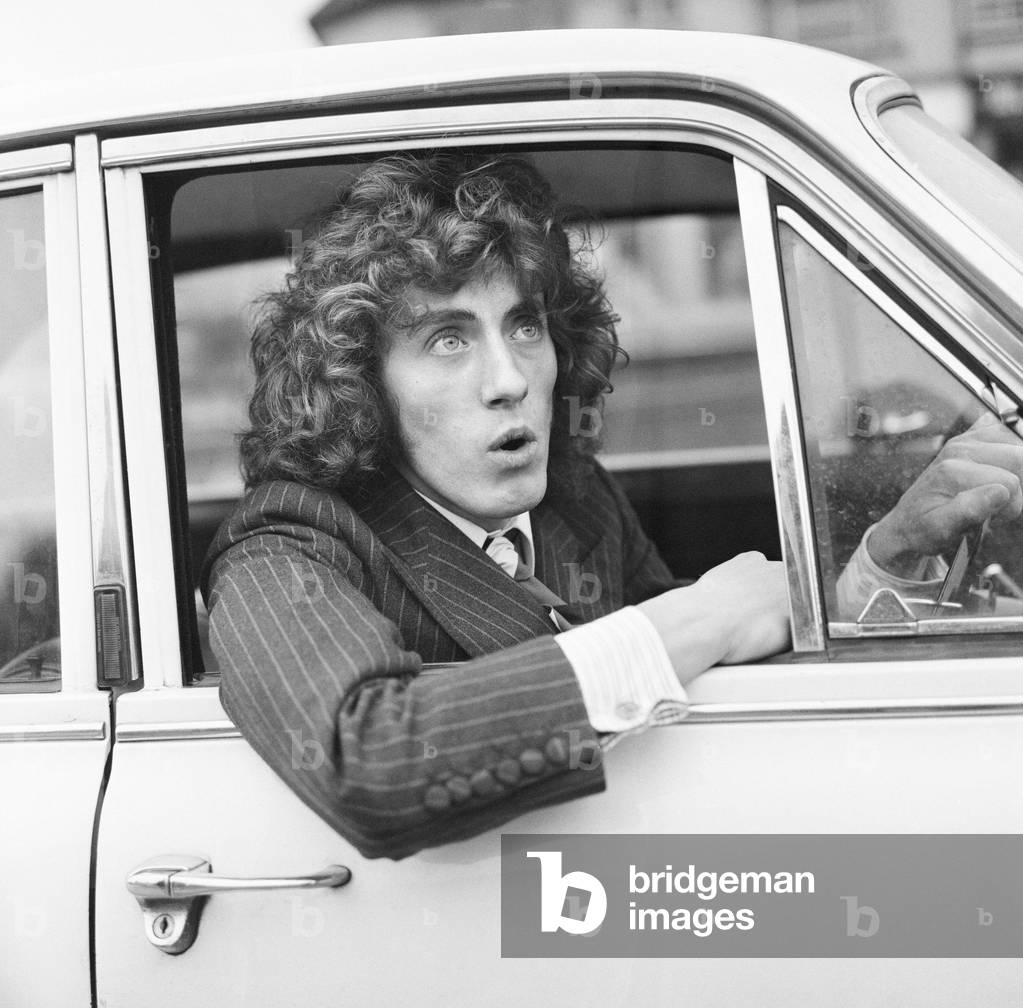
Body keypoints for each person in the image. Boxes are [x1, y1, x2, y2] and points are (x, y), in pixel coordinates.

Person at [201, 152, 1023, 860]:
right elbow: (369, 763)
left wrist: (875, 569)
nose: (509, 379)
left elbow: (704, 688)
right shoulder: (288, 545)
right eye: (447, 340)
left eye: (523, 327)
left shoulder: (573, 497)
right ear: (362, 384)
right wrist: (700, 616)